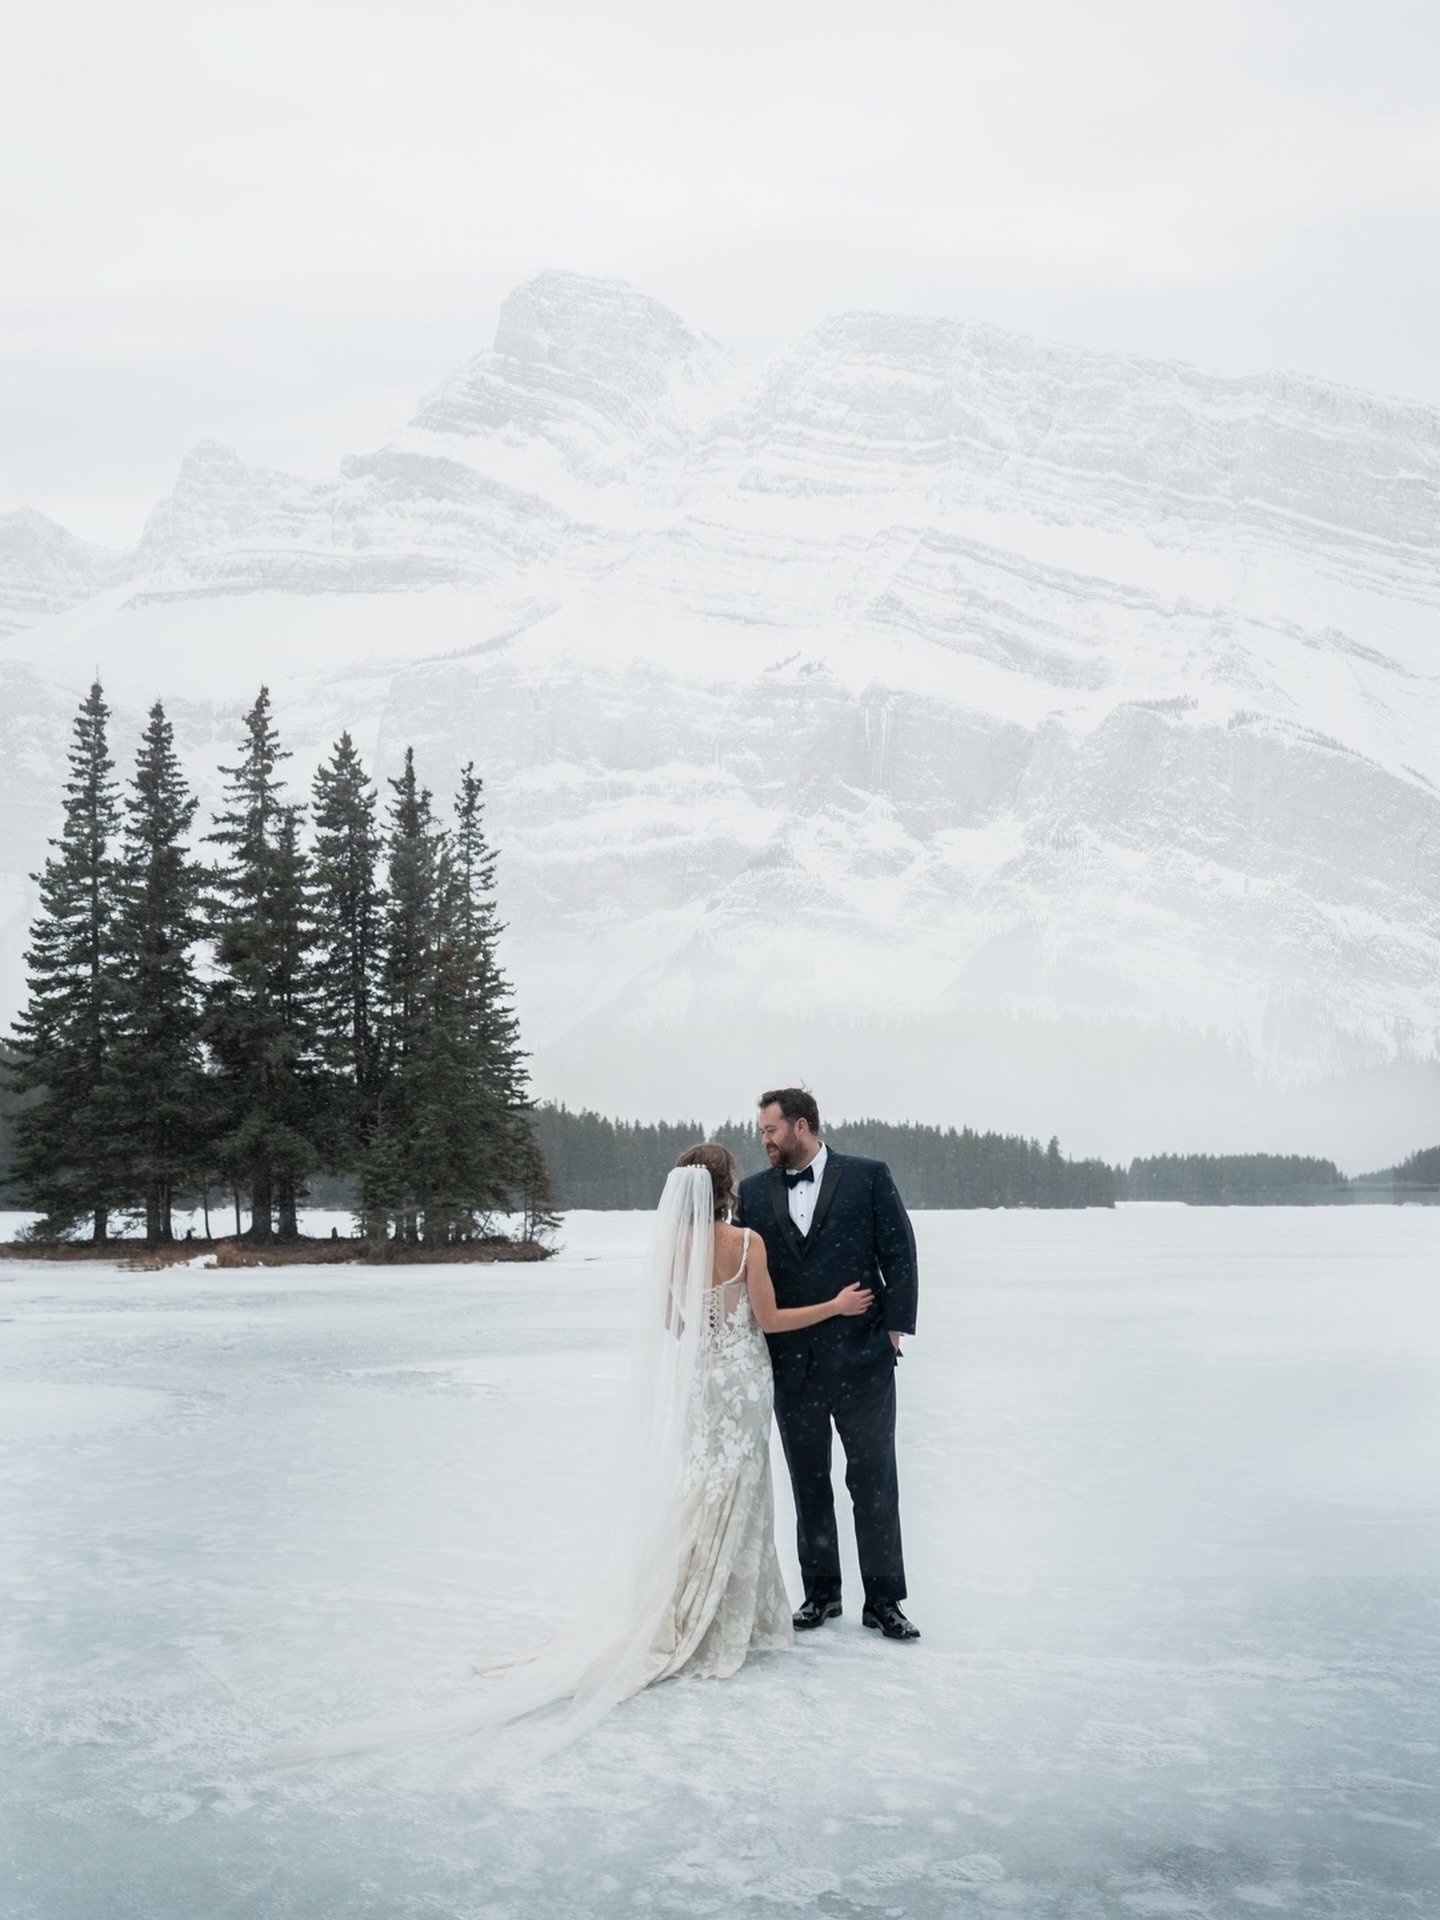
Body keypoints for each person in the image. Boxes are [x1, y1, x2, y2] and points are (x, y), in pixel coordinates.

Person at [275, 1144, 873, 1766]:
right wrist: (834, 1305)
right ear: (728, 1186)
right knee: (740, 1489)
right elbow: (771, 1320)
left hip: (702, 1382)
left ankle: (682, 1601)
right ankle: (729, 1616)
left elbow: (672, 1325)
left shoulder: (671, 1247)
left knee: (700, 1486)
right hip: (745, 1381)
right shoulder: (747, 1242)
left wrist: (709, 1326)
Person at [735, 1088, 920, 1641]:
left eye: (770, 1130)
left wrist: (894, 1329)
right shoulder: (751, 1192)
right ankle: (822, 1594)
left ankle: (884, 1600)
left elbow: (899, 1252)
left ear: (802, 1125)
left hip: (864, 1360)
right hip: (793, 1366)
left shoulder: (867, 1175)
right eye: (762, 1132)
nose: (764, 1140)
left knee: (874, 1480)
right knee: (808, 1481)